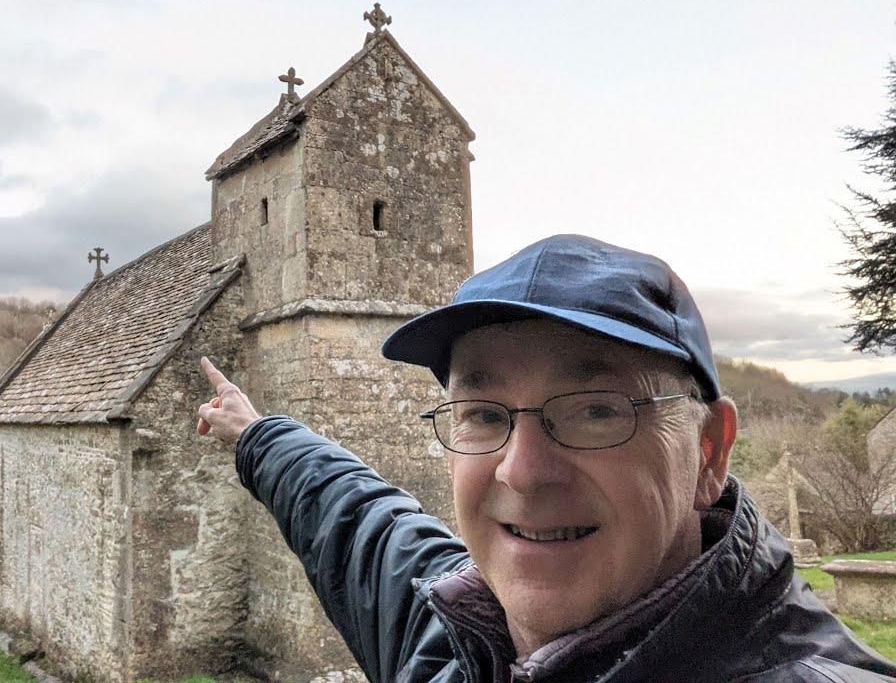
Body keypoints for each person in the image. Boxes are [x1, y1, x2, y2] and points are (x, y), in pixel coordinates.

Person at [195, 234, 896, 683]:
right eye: (483, 414)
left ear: (707, 452)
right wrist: (255, 431)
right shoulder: (449, 636)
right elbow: (357, 523)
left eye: (596, 410)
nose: (522, 472)